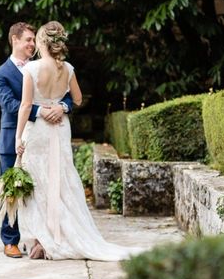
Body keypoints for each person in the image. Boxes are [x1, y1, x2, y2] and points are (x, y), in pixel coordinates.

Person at [14, 21, 141, 261]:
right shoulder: (68, 69)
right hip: (60, 127)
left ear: (42, 42)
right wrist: (62, 106)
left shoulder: (31, 70)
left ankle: (45, 240)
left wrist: (18, 137)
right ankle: (55, 237)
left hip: (39, 129)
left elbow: (25, 106)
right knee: (61, 181)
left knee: (38, 183)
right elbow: (78, 99)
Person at [0, 22, 74, 258]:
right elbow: (11, 105)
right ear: (14, 40)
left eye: (32, 40)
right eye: (27, 40)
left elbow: (68, 94)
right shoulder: (0, 74)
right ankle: (10, 240)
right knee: (13, 190)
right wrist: (41, 110)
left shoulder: (47, 65)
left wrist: (62, 107)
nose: (31, 44)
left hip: (47, 139)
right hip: (14, 139)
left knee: (46, 188)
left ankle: (42, 239)